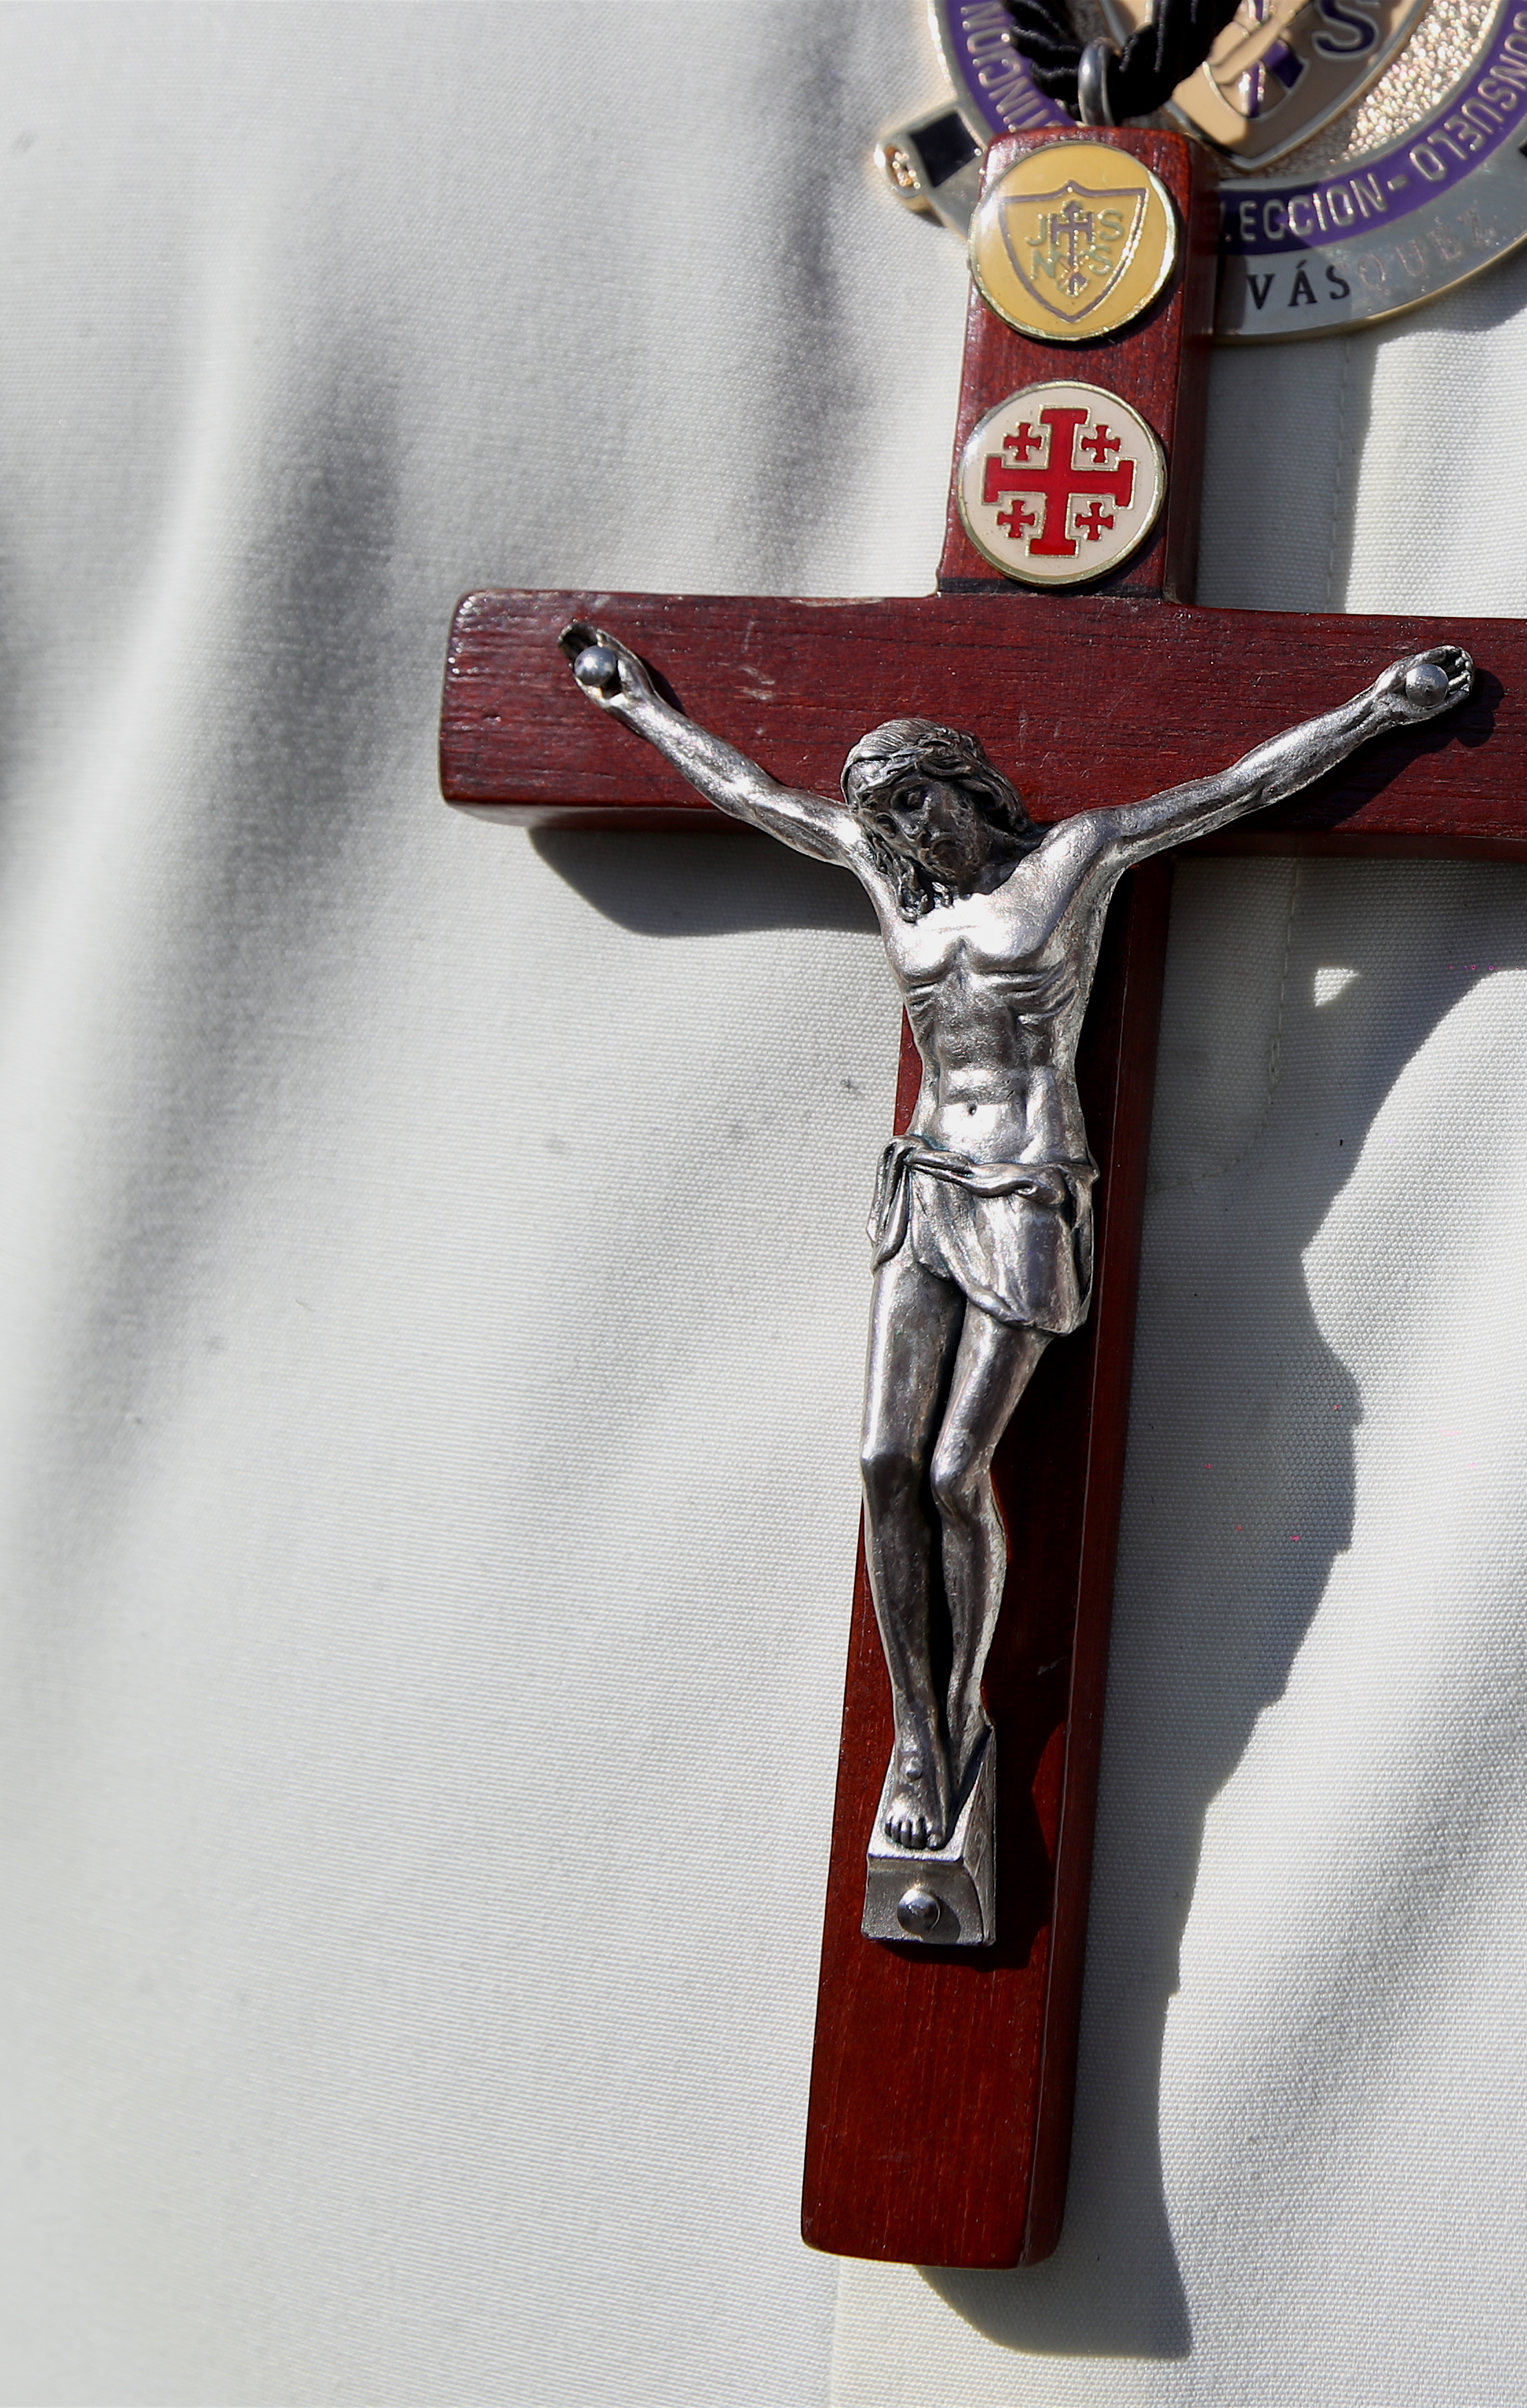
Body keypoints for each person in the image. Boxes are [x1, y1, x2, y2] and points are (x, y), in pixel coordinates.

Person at [565, 623, 1470, 1928]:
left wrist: (1379, 711)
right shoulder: (893, 890)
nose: (903, 830)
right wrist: (638, 706)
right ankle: (923, 1736)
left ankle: (960, 1709)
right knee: (882, 1460)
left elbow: (1236, 789)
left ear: (969, 782)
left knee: (952, 1471)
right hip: (930, 1181)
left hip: (1034, 1190)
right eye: (881, 813)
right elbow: (753, 792)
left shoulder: (1072, 859)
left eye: (917, 799)